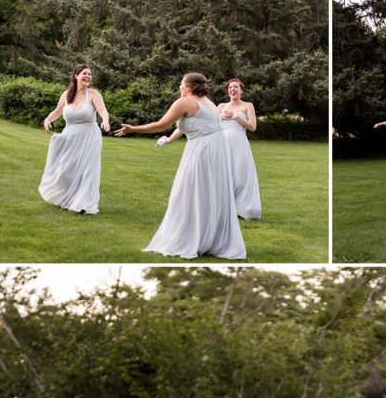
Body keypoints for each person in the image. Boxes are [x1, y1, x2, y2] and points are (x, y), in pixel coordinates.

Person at [115, 73, 246, 260]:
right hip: (216, 150)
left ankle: (189, 237)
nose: (179, 86)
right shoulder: (207, 101)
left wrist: (133, 129)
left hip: (202, 150)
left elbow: (161, 125)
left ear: (189, 87)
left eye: (181, 83)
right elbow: (188, 125)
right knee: (207, 192)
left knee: (187, 192)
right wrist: (169, 140)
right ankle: (207, 238)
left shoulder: (184, 102)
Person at [39, 63, 111, 214]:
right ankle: (67, 198)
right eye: (84, 73)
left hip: (90, 137)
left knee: (87, 171)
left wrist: (105, 121)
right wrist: (47, 119)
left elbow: (103, 111)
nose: (87, 76)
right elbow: (57, 112)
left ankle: (84, 205)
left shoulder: (93, 94)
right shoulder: (66, 95)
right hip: (69, 137)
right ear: (76, 76)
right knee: (65, 170)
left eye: (90, 74)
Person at [215, 78, 261, 219]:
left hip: (239, 142)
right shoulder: (221, 106)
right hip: (223, 143)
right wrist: (220, 117)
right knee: (223, 175)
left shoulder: (248, 106)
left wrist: (237, 118)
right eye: (230, 88)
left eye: (235, 87)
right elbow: (210, 125)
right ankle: (224, 209)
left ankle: (242, 209)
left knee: (240, 175)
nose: (232, 89)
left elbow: (253, 127)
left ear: (241, 90)